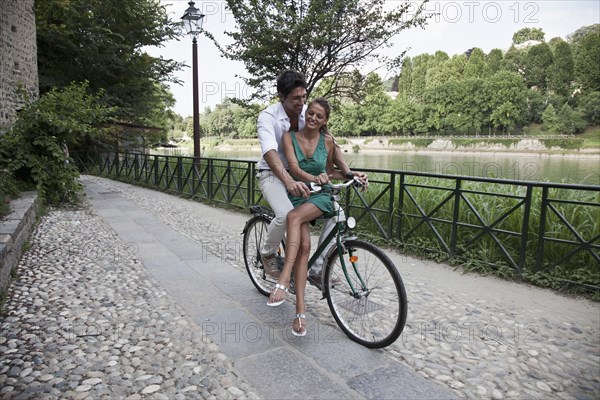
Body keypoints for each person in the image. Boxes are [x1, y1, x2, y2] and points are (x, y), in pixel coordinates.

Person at [256, 70, 367, 283]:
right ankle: (268, 253)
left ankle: (316, 269)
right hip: (272, 173)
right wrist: (288, 181)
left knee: (338, 214)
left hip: (302, 175)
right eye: (296, 98)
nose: (302, 103)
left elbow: (329, 141)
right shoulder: (267, 117)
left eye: (304, 96)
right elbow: (270, 153)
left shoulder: (307, 112)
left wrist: (349, 173)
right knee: (285, 213)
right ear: (281, 96)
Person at [266, 97, 350, 336]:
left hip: (319, 197)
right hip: (297, 194)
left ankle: (283, 279)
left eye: (319, 116)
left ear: (325, 121)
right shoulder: (289, 137)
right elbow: (294, 170)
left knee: (293, 218)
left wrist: (354, 175)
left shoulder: (328, 141)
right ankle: (300, 315)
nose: (313, 118)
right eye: (310, 113)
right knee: (304, 248)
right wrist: (315, 178)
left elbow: (338, 171)